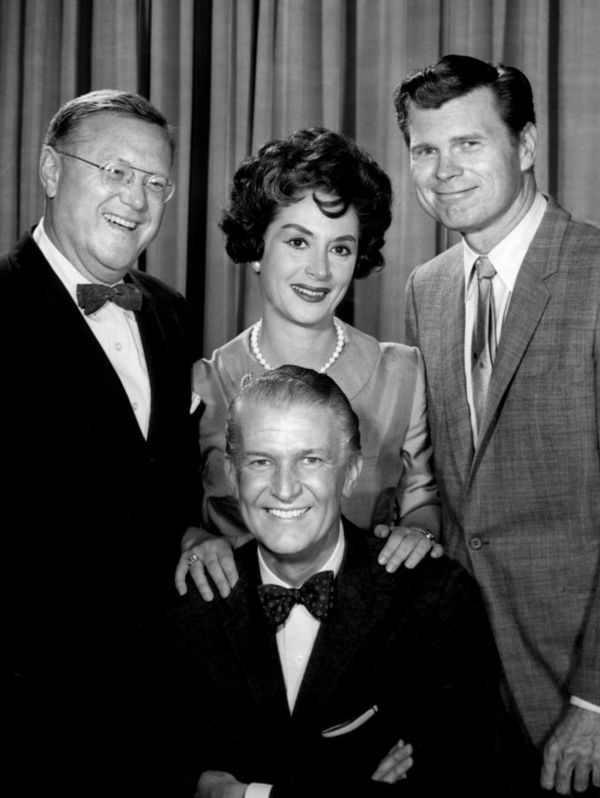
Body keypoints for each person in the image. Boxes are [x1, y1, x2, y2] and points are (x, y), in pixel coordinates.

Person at [394, 54, 600, 796]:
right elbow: (454, 492)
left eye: (468, 143)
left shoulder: (595, 273)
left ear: (525, 145)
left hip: (579, 693)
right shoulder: (429, 288)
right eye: (425, 148)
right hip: (467, 687)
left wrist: (594, 699)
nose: (444, 170)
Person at [154, 365, 502, 798]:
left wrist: (245, 794)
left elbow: (461, 779)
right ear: (232, 473)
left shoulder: (433, 597)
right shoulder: (190, 603)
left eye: (311, 460)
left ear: (351, 472)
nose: (284, 489)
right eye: (261, 461)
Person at [0, 90, 199, 797]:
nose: (137, 199)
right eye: (115, 172)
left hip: (153, 709)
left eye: (154, 183)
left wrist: (193, 535)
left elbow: (166, 487)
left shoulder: (170, 316)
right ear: (52, 171)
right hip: (25, 718)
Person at [176, 126, 442, 602]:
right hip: (236, 633)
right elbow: (173, 514)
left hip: (369, 626)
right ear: (257, 246)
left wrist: (417, 533)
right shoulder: (205, 382)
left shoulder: (404, 373)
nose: (320, 270)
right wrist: (192, 538)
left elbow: (423, 500)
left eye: (340, 248)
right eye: (298, 242)